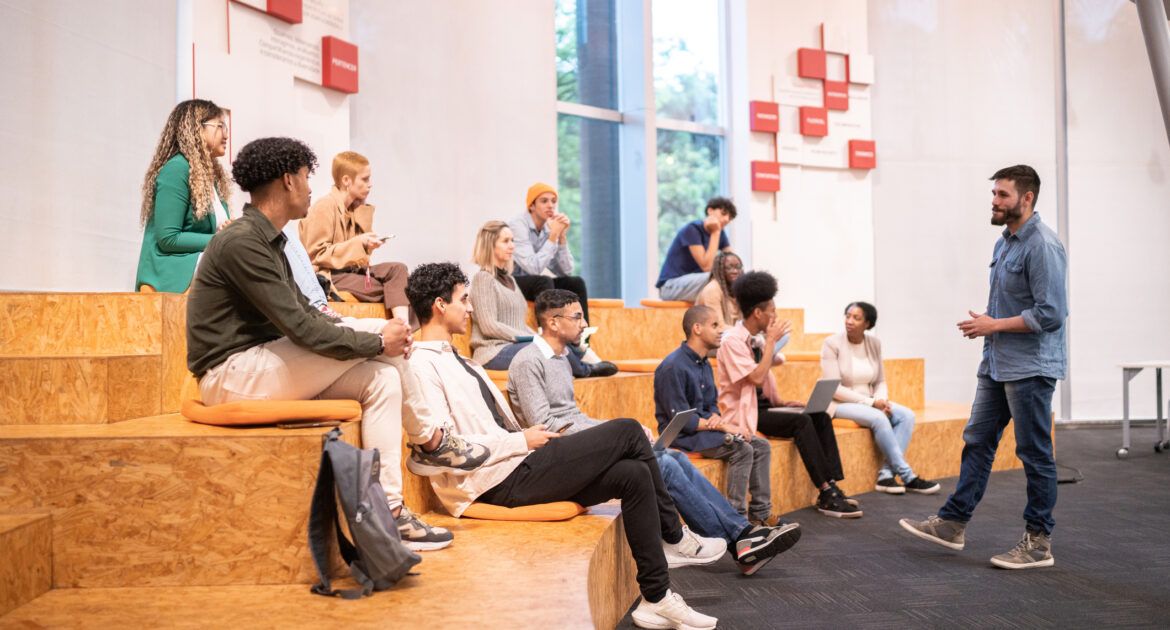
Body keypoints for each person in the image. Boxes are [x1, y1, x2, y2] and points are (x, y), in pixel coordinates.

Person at [186, 137, 490, 551]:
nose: (312, 188)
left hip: (261, 363)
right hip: (232, 375)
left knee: (382, 378)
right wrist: (377, 338)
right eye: (308, 178)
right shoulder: (243, 242)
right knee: (381, 351)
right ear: (288, 180)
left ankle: (391, 513)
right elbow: (303, 330)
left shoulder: (270, 239)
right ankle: (431, 442)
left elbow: (308, 316)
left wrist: (375, 340)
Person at [404, 263, 720, 629]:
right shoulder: (421, 366)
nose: (471, 308)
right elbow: (445, 445)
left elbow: (494, 424)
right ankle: (675, 537)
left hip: (516, 463)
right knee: (630, 430)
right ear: (441, 305)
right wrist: (521, 440)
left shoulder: (463, 361)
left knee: (633, 474)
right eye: (464, 300)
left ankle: (656, 597)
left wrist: (525, 440)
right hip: (491, 483)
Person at [508, 289, 800, 577]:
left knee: (675, 459)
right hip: (554, 457)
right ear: (553, 322)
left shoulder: (561, 359)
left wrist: (612, 429)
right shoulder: (528, 360)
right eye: (577, 317)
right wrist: (613, 432)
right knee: (662, 465)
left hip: (576, 446)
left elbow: (574, 417)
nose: (584, 324)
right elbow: (544, 425)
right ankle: (740, 541)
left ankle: (743, 535)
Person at [900, 165, 1068, 570]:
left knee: (1034, 454)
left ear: (1026, 199)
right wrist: (991, 326)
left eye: (1002, 195)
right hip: (997, 361)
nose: (994, 201)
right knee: (977, 441)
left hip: (1030, 367)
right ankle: (953, 523)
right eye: (994, 194)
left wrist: (993, 324)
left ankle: (1038, 543)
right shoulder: (1004, 243)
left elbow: (1051, 313)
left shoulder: (1042, 246)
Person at [716, 271, 862, 518]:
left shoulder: (754, 340)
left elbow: (776, 362)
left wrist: (783, 402)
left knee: (819, 415)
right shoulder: (732, 341)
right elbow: (755, 377)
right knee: (801, 421)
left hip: (764, 407)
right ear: (758, 313)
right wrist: (771, 341)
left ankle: (833, 484)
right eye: (772, 311)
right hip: (744, 414)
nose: (775, 316)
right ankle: (826, 491)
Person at [655, 305, 775, 527]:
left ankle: (761, 512)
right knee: (742, 448)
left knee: (761, 445)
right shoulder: (672, 366)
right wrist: (722, 427)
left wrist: (717, 418)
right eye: (715, 325)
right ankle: (739, 520)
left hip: (704, 430)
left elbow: (711, 405)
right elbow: (681, 421)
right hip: (682, 436)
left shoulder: (704, 364)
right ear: (697, 329)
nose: (722, 330)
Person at [468, 220, 615, 376]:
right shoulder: (483, 279)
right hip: (493, 352)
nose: (512, 246)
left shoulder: (510, 280)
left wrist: (540, 337)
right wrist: (532, 338)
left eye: (512, 240)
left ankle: (584, 358)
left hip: (513, 345)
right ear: (490, 245)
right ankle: (586, 370)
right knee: (547, 346)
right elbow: (489, 326)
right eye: (505, 241)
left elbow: (520, 325)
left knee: (555, 339)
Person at [822, 301, 939, 495]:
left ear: (867, 323)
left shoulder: (874, 343)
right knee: (879, 417)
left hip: (870, 400)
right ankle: (907, 475)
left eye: (856, 318)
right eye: (848, 316)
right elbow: (833, 388)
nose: (849, 321)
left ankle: (885, 475)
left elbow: (880, 380)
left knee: (907, 415)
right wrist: (872, 403)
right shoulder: (832, 344)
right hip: (839, 403)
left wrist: (881, 399)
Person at [299, 151, 411, 322]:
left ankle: (403, 326)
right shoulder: (324, 206)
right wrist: (359, 243)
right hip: (330, 275)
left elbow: (360, 257)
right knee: (396, 290)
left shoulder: (354, 209)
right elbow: (316, 255)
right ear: (346, 181)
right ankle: (402, 328)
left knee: (399, 269)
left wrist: (366, 243)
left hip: (353, 273)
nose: (370, 185)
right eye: (365, 179)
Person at [136, 99, 232, 292]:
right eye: (220, 126)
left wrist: (228, 231)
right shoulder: (177, 169)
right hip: (173, 269)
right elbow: (168, 238)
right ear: (197, 129)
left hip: (201, 262)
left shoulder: (210, 176)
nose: (226, 134)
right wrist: (222, 240)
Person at [508, 182, 591, 322]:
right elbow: (532, 267)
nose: (551, 205)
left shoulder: (548, 228)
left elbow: (566, 271)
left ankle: (582, 337)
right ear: (532, 206)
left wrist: (562, 237)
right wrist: (553, 237)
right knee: (543, 282)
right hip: (509, 282)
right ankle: (550, 334)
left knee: (575, 282)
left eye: (553, 201)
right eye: (544, 201)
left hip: (533, 282)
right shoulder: (517, 225)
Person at [655, 197, 736, 302]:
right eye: (723, 213)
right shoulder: (692, 229)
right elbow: (706, 267)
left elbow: (733, 262)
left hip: (695, 283)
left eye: (730, 217)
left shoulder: (721, 234)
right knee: (716, 277)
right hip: (670, 286)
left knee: (734, 278)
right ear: (710, 210)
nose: (726, 219)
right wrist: (715, 233)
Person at [694, 251, 743, 333]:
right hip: (709, 341)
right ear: (720, 270)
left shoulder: (740, 289)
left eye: (738, 267)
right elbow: (718, 327)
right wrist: (745, 333)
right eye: (729, 268)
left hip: (731, 337)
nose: (735, 271)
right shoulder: (712, 290)